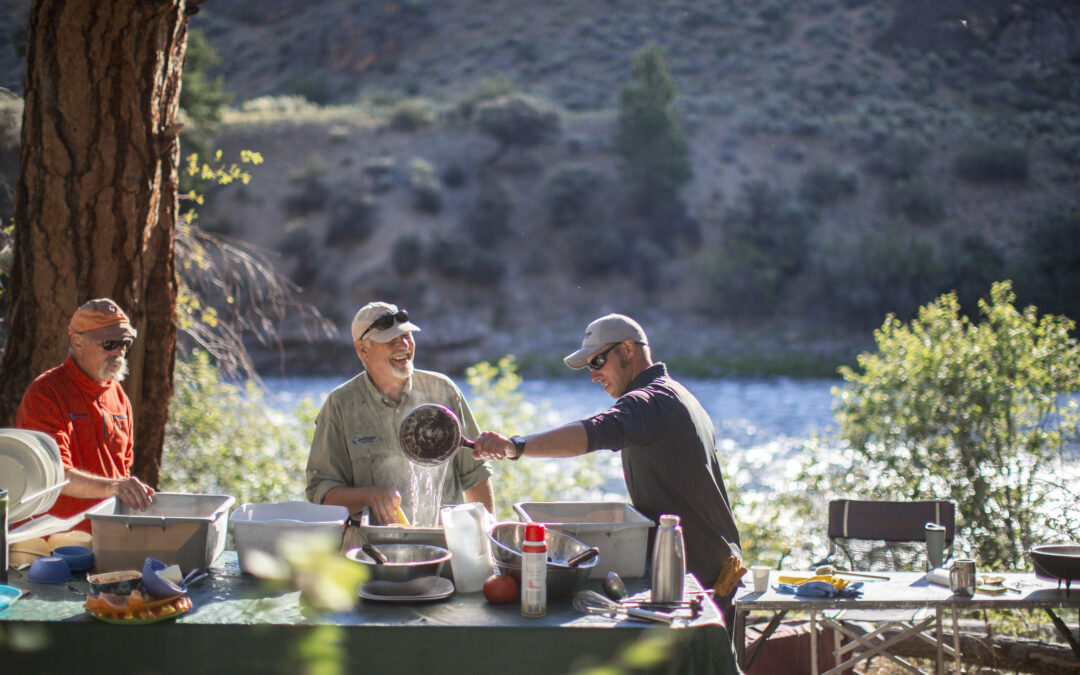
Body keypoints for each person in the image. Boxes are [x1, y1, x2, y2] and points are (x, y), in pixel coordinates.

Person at [472, 314, 742, 618]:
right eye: (589, 366)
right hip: (709, 566)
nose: (593, 375)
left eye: (598, 361)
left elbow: (593, 431)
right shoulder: (676, 394)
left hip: (698, 578)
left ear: (628, 349)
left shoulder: (650, 402)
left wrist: (514, 446)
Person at [305, 302, 494, 526]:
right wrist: (369, 496)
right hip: (373, 551)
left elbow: (475, 475)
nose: (403, 345)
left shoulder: (443, 390)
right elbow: (321, 493)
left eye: (407, 336)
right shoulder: (340, 404)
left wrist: (486, 538)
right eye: (391, 340)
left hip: (445, 548)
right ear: (363, 349)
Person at [16, 298, 154, 533]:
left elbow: (123, 472)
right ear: (77, 342)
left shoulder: (120, 398)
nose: (119, 352)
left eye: (125, 343)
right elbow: (55, 476)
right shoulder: (46, 392)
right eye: (109, 343)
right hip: (51, 548)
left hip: (106, 541)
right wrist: (115, 486)